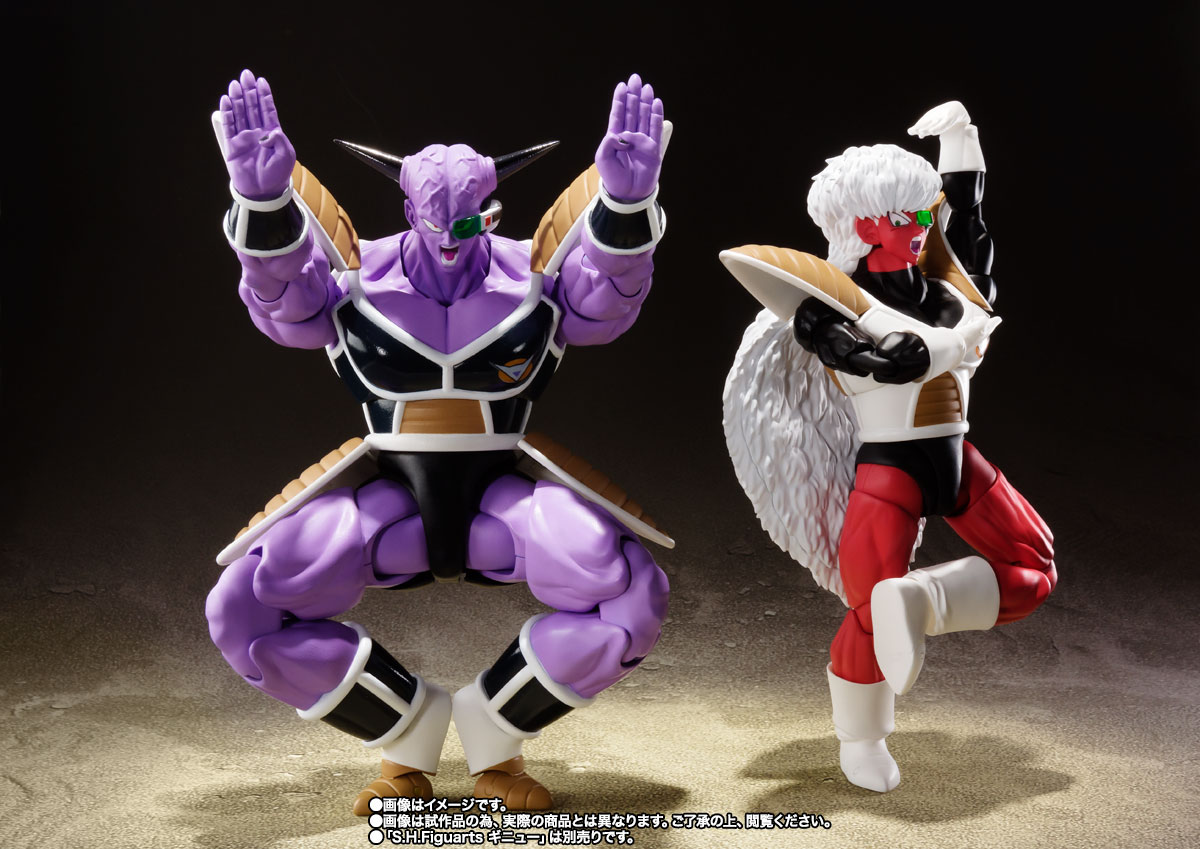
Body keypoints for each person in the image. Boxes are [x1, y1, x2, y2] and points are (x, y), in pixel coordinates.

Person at [205, 69, 672, 813]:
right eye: (436, 220)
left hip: (501, 501)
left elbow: (606, 297)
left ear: (490, 210)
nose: (452, 239)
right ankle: (407, 734)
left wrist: (625, 204)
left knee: (632, 588)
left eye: (467, 221)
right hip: (393, 500)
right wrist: (262, 203)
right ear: (408, 211)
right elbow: (283, 300)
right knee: (242, 605)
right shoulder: (358, 279)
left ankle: (494, 732)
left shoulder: (530, 278)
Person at [721, 102, 1055, 792]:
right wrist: (923, 348)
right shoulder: (832, 304)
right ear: (861, 223)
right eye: (902, 216)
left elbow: (969, 217)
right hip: (890, 469)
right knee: (869, 611)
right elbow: (872, 358)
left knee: (1034, 567)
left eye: (923, 212)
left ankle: (923, 600)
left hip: (958, 460)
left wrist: (962, 139)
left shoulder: (949, 289)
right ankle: (862, 739)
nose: (920, 227)